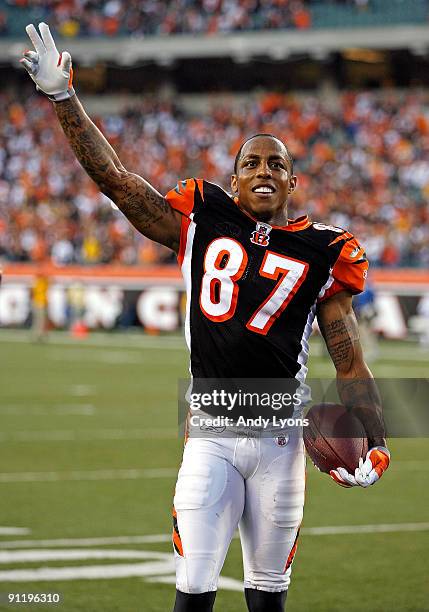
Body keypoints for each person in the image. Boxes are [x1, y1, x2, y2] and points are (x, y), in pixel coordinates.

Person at [21, 23, 391, 612]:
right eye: (252, 162)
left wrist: (376, 440)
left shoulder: (325, 250)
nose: (264, 169)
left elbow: (349, 359)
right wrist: (64, 98)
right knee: (193, 593)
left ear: (294, 181)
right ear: (235, 177)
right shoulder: (201, 219)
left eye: (277, 163)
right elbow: (117, 183)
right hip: (212, 436)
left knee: (268, 597)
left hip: (280, 438)